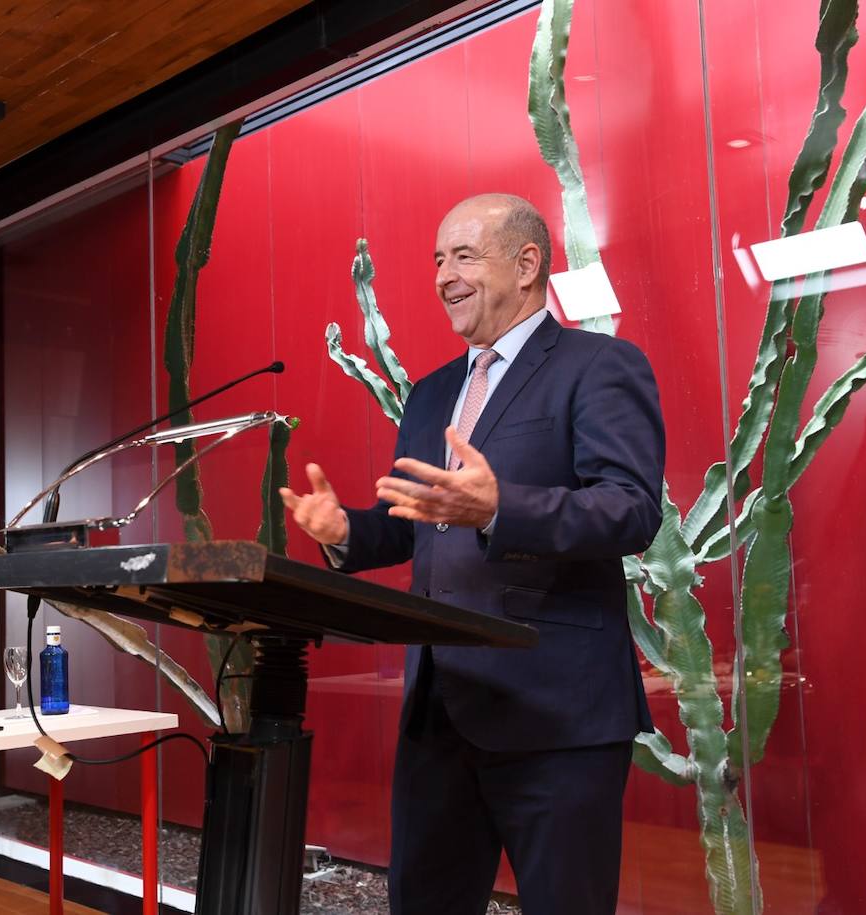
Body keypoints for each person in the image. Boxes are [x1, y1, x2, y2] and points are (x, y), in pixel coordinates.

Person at [279, 193, 665, 914]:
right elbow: (418, 524)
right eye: (436, 260)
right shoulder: (430, 394)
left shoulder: (599, 366)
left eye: (462, 256)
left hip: (558, 714)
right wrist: (345, 535)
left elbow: (631, 508)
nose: (443, 276)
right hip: (441, 713)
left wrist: (501, 507)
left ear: (526, 265)